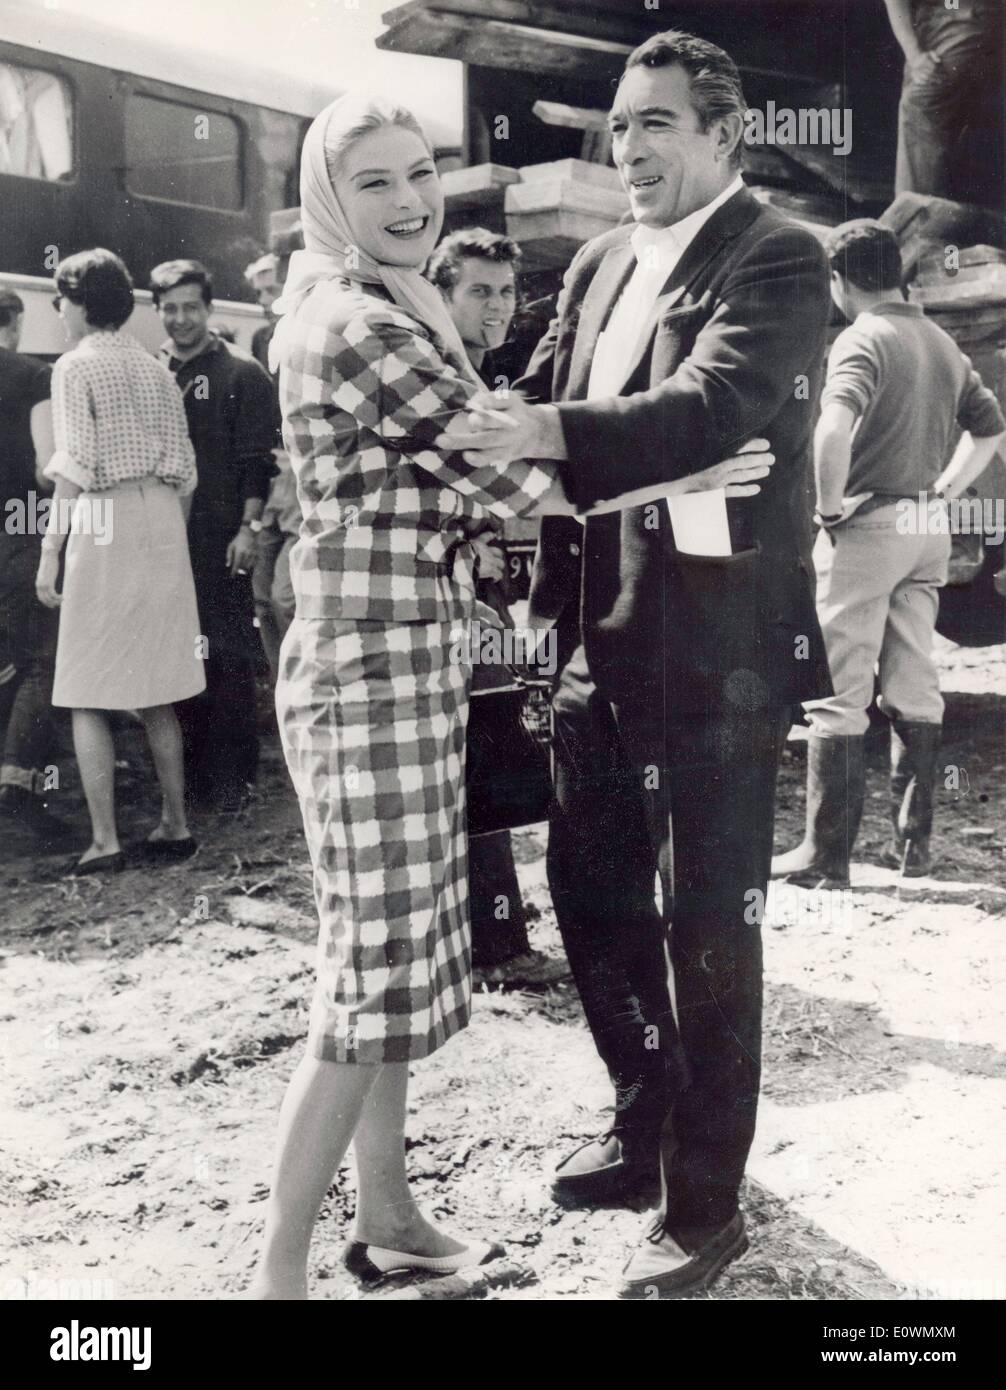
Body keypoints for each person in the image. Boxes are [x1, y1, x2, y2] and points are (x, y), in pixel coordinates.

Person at [249, 94, 760, 1301]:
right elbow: (515, 473)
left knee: (403, 963)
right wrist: (685, 458)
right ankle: (274, 1280)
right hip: (365, 672)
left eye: (419, 172)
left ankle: (386, 1224)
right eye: (371, 182)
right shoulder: (357, 322)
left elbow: (486, 492)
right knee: (368, 981)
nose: (408, 201)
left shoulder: (385, 308)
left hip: (403, 664)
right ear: (332, 198)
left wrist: (584, 480)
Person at [443, 29, 834, 1298]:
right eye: (620, 126)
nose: (632, 146)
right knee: (593, 895)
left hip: (715, 654)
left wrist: (559, 435)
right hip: (587, 641)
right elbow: (554, 431)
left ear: (723, 136)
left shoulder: (776, 254)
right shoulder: (604, 259)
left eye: (657, 122)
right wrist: (555, 446)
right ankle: (638, 1116)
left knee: (710, 921)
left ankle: (705, 1200)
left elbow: (708, 411)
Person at [772, 220, 1006, 885]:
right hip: (926, 527)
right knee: (914, 680)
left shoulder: (861, 338)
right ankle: (914, 852)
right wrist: (945, 490)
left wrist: (826, 508)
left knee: (838, 691)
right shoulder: (941, 340)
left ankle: (825, 857)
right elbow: (990, 431)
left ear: (839, 282)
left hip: (868, 525)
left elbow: (832, 429)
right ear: (897, 273)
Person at [427, 228, 568, 989]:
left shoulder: (485, 376)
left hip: (479, 593)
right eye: (479, 290)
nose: (499, 305)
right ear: (443, 293)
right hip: (447, 598)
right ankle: (496, 945)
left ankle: (490, 937)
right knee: (472, 754)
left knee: (482, 747)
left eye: (508, 291)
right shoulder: (445, 376)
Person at [35, 249, 205, 873]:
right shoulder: (156, 367)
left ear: (80, 303)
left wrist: (50, 553)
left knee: (86, 689)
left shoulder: (74, 366)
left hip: (104, 516)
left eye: (63, 299)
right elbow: (187, 472)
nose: (59, 310)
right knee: (159, 689)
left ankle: (106, 839)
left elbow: (73, 467)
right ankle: (175, 825)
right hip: (161, 518)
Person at [150, 259, 280, 811]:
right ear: (158, 311)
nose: (181, 319)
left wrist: (249, 528)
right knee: (177, 655)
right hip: (162, 539)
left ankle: (232, 781)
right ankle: (193, 777)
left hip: (223, 539)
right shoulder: (152, 371)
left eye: (191, 308)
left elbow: (259, 461)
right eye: (170, 309)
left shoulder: (243, 373)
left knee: (226, 655)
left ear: (209, 309)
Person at [0, 285, 66, 846]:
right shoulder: (34, 376)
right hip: (20, 532)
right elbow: (49, 469)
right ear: (16, 322)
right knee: (40, 662)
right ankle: (19, 787)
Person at [883, 0, 1005, 208]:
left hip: (963, 19)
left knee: (922, 109)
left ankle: (918, 224)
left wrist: (915, 55)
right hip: (952, 21)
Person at [244, 252, 299, 682]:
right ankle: (281, 686)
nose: (264, 300)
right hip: (273, 470)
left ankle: (301, 681)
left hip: (299, 471)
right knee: (261, 597)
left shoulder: (304, 330)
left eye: (271, 290)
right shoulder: (262, 336)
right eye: (259, 292)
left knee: (286, 596)